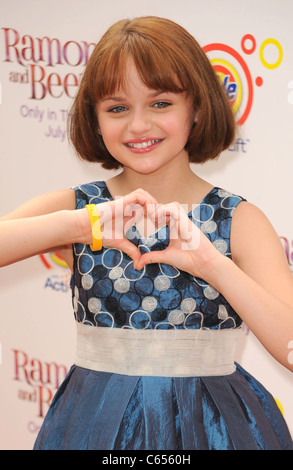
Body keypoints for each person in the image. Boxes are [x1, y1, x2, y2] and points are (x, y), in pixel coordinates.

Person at [1, 16, 293, 450]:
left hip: (218, 428)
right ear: (95, 120)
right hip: (93, 426)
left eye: (160, 103)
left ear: (196, 107)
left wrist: (213, 265)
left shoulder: (239, 218)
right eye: (117, 108)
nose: (139, 126)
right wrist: (82, 224)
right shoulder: (79, 208)